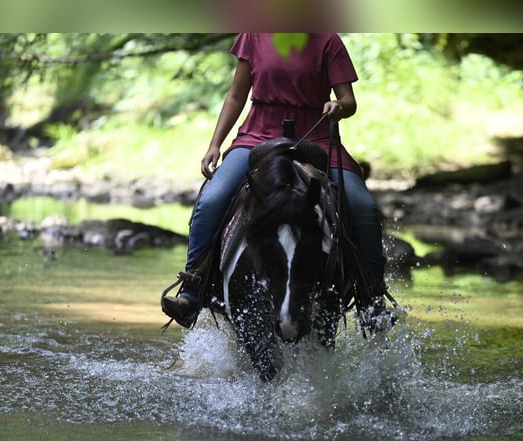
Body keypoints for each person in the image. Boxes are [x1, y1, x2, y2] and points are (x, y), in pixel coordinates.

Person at [162, 33, 388, 328]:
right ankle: (192, 291)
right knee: (211, 200)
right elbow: (236, 95)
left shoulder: (328, 41)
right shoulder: (254, 35)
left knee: (364, 208)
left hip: (315, 135)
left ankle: (372, 300)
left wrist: (338, 107)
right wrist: (215, 144)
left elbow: (349, 101)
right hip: (258, 133)